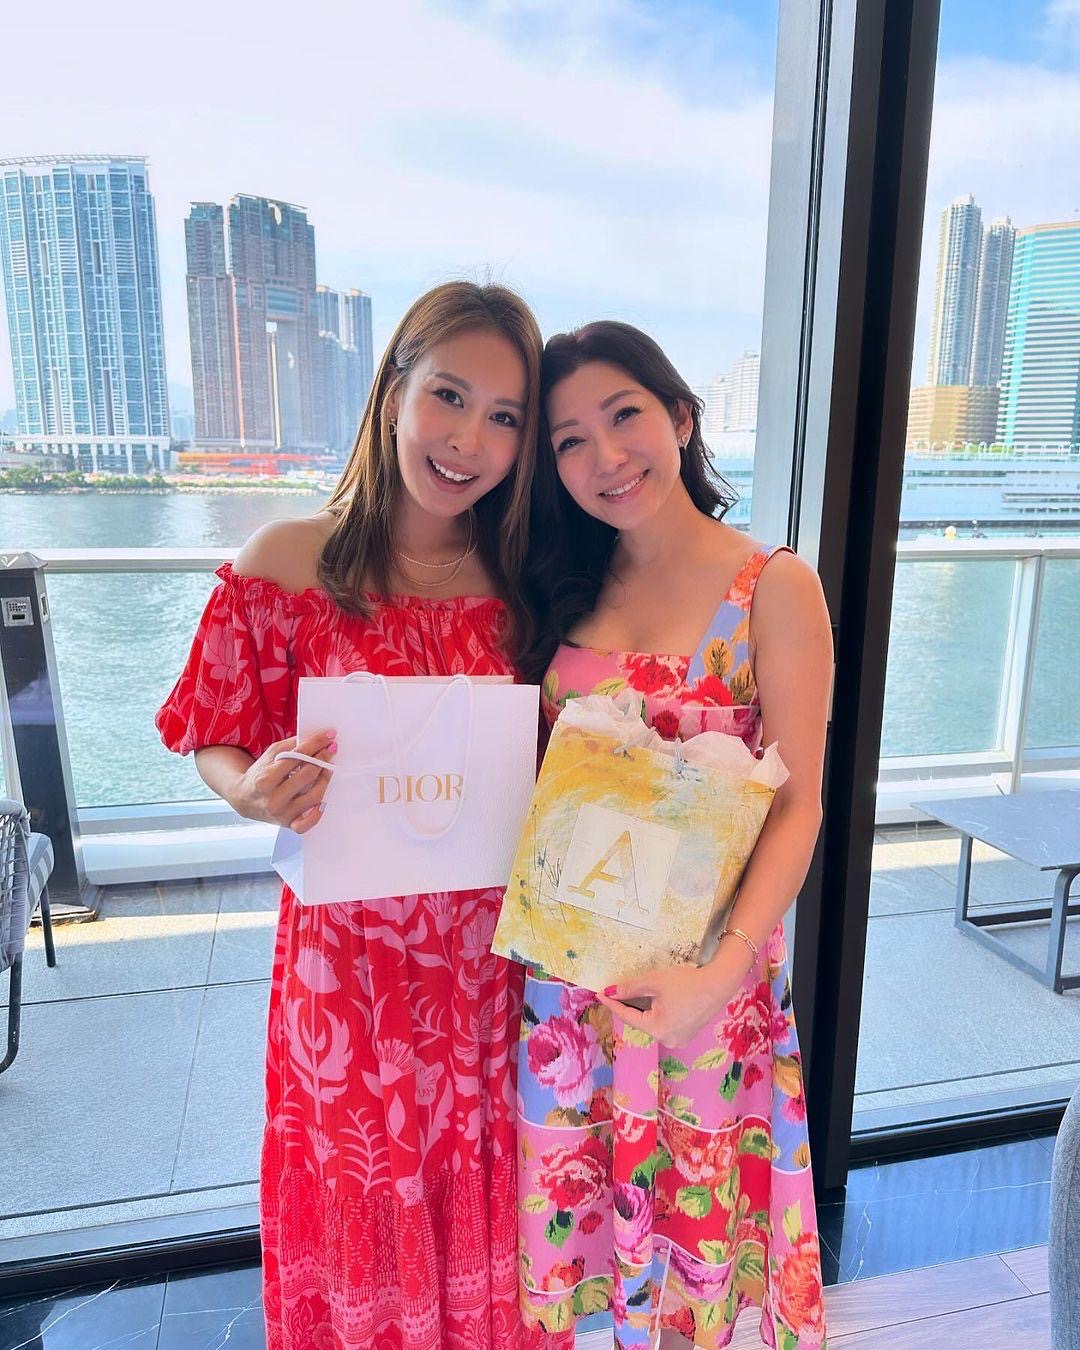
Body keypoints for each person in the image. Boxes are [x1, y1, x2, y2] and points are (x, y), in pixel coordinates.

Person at [156, 282, 543, 1350]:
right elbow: (212, 728)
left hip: (488, 976)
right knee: (357, 1195)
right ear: (392, 392)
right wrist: (248, 788)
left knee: (487, 1211)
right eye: (449, 396)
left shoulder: (528, 584)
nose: (468, 439)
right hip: (347, 978)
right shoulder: (285, 562)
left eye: (505, 416)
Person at [516, 321, 832, 1349]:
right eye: (569, 440)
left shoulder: (771, 585)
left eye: (625, 416)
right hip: (569, 992)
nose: (605, 457)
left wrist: (720, 974)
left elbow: (800, 804)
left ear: (681, 418)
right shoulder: (558, 586)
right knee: (581, 1260)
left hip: (707, 987)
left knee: (694, 1265)